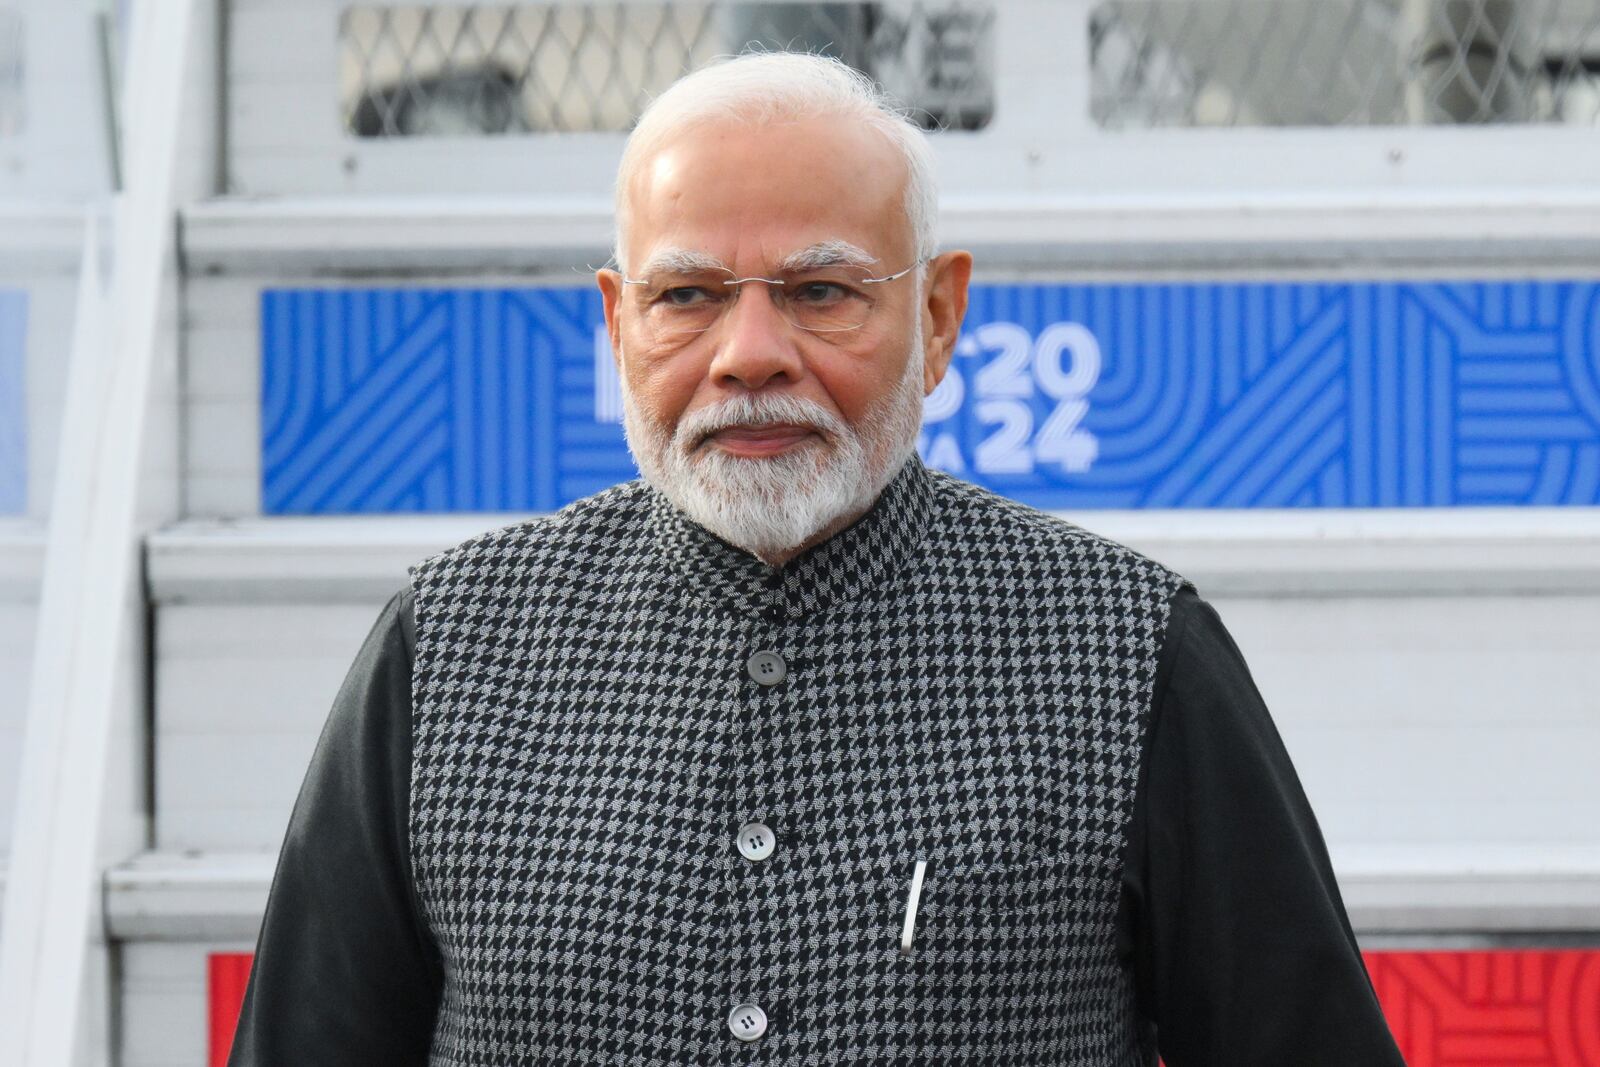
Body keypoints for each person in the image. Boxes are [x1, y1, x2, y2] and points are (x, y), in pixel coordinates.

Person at [230, 52, 1405, 1066]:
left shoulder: (1128, 649)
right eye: (685, 294)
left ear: (938, 319)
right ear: (616, 322)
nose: (748, 354)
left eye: (821, 292)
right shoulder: (448, 650)